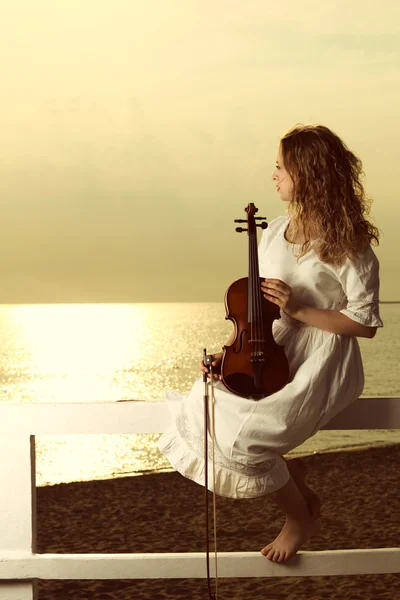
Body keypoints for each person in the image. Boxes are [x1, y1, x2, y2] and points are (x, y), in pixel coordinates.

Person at [159, 124, 383, 563]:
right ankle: (292, 477)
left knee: (250, 437)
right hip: (271, 345)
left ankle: (299, 519)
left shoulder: (349, 243)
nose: (274, 174)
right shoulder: (275, 229)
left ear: (308, 173)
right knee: (210, 402)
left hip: (322, 355)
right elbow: (254, 310)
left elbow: (364, 322)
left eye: (281, 166)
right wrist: (226, 354)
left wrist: (298, 311)